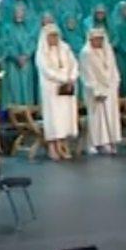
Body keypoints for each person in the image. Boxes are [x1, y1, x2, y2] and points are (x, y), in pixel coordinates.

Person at [36, 24, 80, 160]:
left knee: (66, 117)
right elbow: (46, 70)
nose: (54, 38)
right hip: (52, 89)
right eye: (51, 36)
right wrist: (62, 79)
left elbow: (74, 64)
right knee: (54, 118)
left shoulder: (65, 48)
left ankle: (63, 143)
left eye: (56, 35)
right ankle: (53, 146)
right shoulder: (42, 52)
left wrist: (71, 77)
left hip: (66, 88)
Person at [79, 29, 123, 155]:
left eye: (100, 39)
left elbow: (113, 69)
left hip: (110, 89)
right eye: (96, 39)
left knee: (109, 116)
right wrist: (96, 91)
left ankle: (107, 141)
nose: (98, 41)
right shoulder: (86, 53)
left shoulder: (108, 51)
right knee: (96, 117)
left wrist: (115, 83)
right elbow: (87, 74)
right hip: (94, 90)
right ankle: (93, 143)